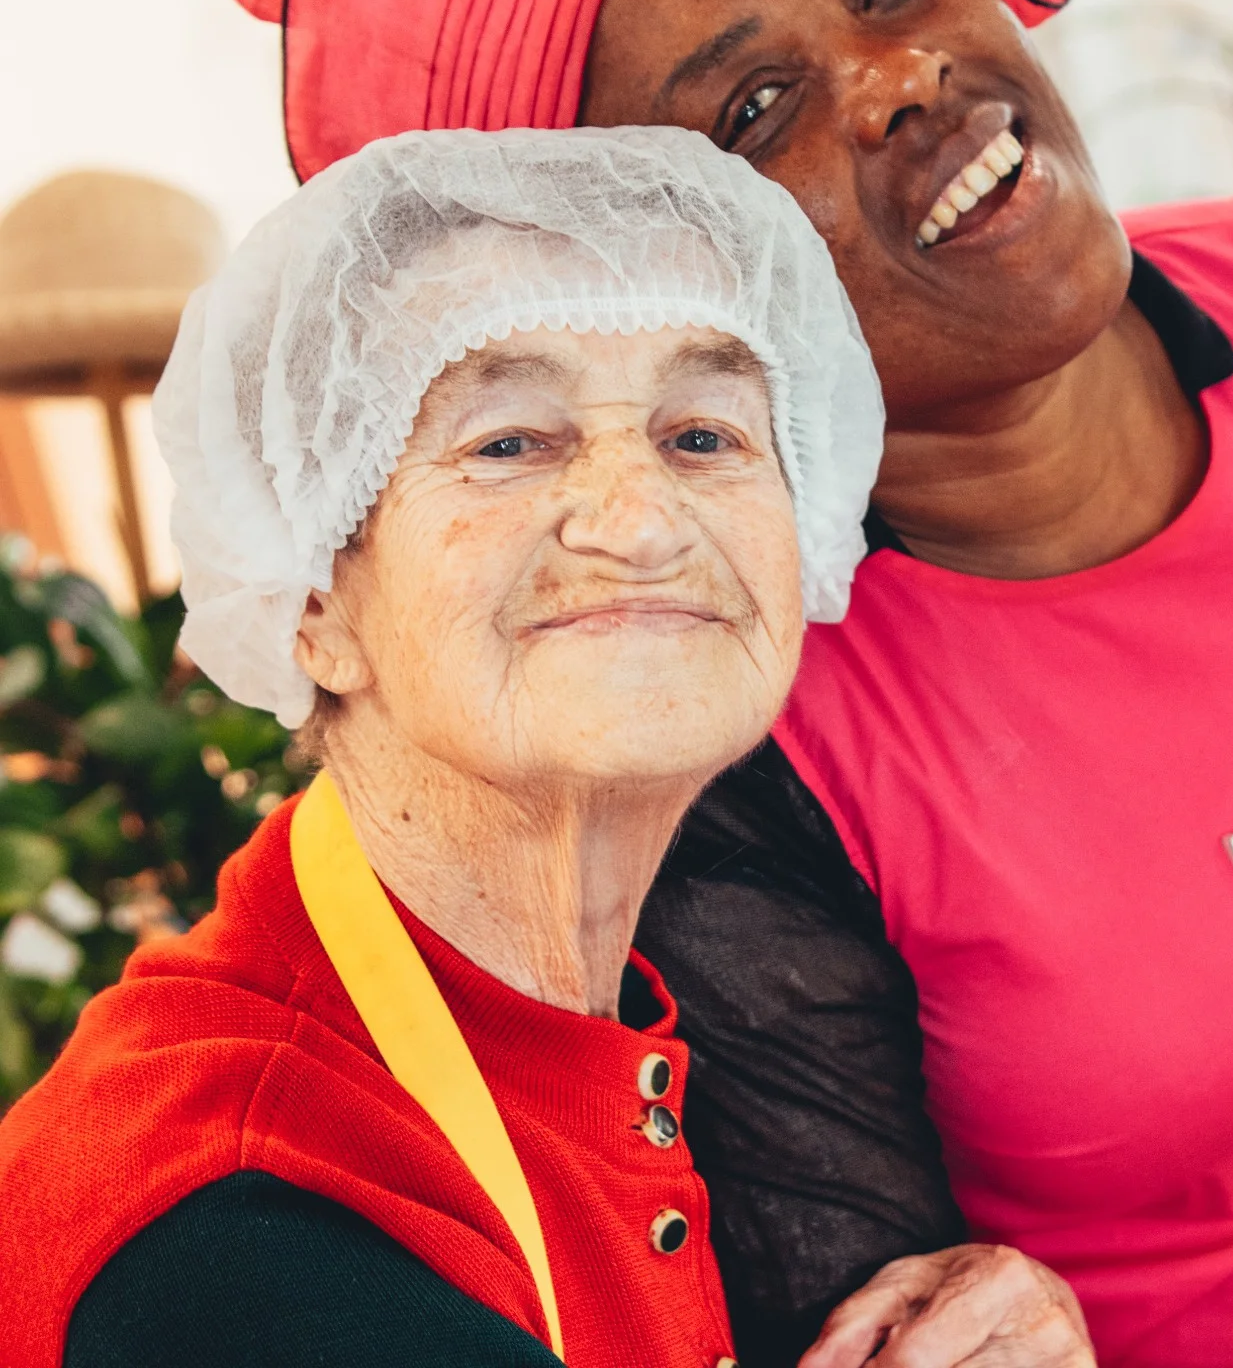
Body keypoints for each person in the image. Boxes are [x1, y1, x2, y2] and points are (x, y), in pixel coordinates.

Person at [214, 0, 1233, 1366]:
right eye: (754, 113)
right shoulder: (746, 738)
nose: (903, 75)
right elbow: (881, 1317)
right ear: (663, 283)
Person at [0, 125, 890, 1368]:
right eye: (509, 442)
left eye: (704, 433)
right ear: (312, 601)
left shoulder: (596, 1013)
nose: (638, 520)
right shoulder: (237, 1241)